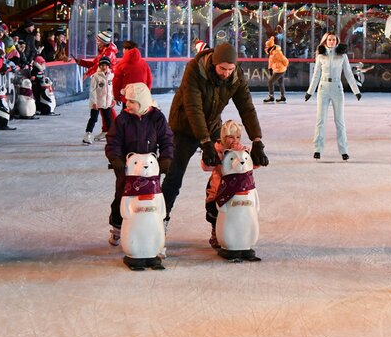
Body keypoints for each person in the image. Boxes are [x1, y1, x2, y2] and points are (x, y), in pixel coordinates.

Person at [162, 42, 269, 243]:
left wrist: (257, 140)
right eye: (222, 69)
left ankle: (219, 224)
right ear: (213, 62)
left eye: (230, 69)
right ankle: (161, 220)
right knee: (174, 176)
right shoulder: (195, 69)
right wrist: (205, 143)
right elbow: (193, 108)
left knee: (228, 172)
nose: (226, 73)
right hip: (184, 127)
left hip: (211, 126)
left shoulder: (235, 75)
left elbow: (246, 107)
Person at [105, 83, 174, 249]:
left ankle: (154, 225)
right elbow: (113, 141)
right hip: (127, 169)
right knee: (122, 197)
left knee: (152, 197)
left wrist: (166, 158)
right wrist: (115, 159)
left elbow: (167, 139)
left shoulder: (157, 117)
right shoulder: (122, 119)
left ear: (142, 103)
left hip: (149, 168)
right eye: (127, 101)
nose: (127, 105)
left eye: (132, 102)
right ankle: (117, 227)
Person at [305, 32, 362, 160]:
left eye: (333, 40)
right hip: (323, 88)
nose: (331, 42)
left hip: (337, 88)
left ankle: (344, 150)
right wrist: (310, 91)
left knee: (340, 121)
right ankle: (317, 149)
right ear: (325, 41)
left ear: (337, 41)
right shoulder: (321, 56)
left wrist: (356, 90)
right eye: (329, 39)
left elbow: (348, 73)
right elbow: (316, 75)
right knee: (320, 120)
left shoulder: (342, 56)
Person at [200, 120, 252, 250]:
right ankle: (215, 233)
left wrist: (251, 155)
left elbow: (250, 166)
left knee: (238, 213)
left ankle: (237, 234)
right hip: (218, 189)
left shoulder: (242, 150)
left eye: (238, 137)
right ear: (224, 137)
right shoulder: (217, 150)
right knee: (215, 212)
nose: (235, 140)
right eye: (231, 137)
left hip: (237, 190)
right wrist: (209, 156)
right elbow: (206, 167)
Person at [112, 40, 152, 111]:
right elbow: (149, 80)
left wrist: (117, 96)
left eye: (123, 48)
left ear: (126, 49)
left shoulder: (121, 65)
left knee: (127, 116)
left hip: (127, 97)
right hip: (141, 96)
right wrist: (146, 93)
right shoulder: (144, 64)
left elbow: (116, 82)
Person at [83, 57, 114, 145]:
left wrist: (113, 99)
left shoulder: (111, 75)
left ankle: (112, 136)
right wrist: (94, 102)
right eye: (102, 65)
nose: (104, 67)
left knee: (109, 120)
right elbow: (92, 90)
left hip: (106, 103)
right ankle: (87, 135)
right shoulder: (96, 76)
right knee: (93, 119)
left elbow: (111, 89)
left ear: (108, 66)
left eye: (106, 65)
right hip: (97, 103)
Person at [263, 36, 290, 103]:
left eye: (267, 46)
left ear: (270, 46)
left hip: (280, 70)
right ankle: (282, 97)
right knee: (280, 82)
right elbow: (270, 62)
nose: (266, 47)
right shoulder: (271, 52)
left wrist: (284, 66)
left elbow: (285, 60)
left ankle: (271, 97)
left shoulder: (276, 53)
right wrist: (270, 69)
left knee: (270, 82)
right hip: (278, 69)